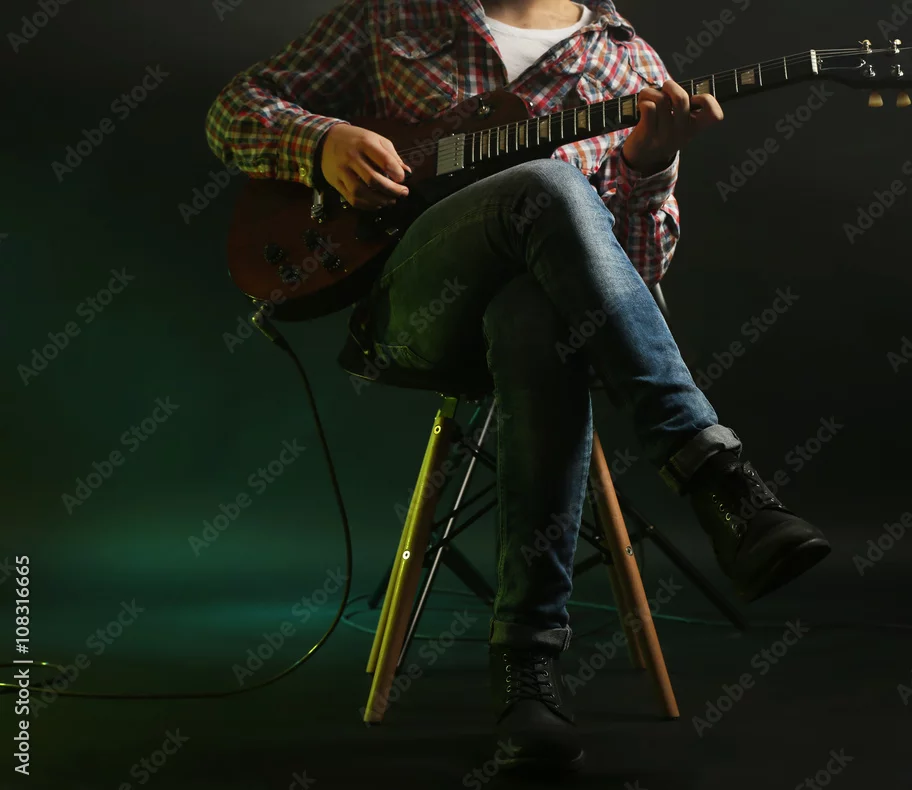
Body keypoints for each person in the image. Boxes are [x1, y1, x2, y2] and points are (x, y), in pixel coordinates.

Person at [206, 0, 831, 774]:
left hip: (556, 330)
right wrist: (323, 142)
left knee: (535, 317)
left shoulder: (632, 65)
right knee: (547, 183)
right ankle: (714, 473)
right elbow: (233, 110)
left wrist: (647, 167)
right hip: (414, 313)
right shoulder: (392, 14)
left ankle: (527, 671)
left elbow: (634, 278)